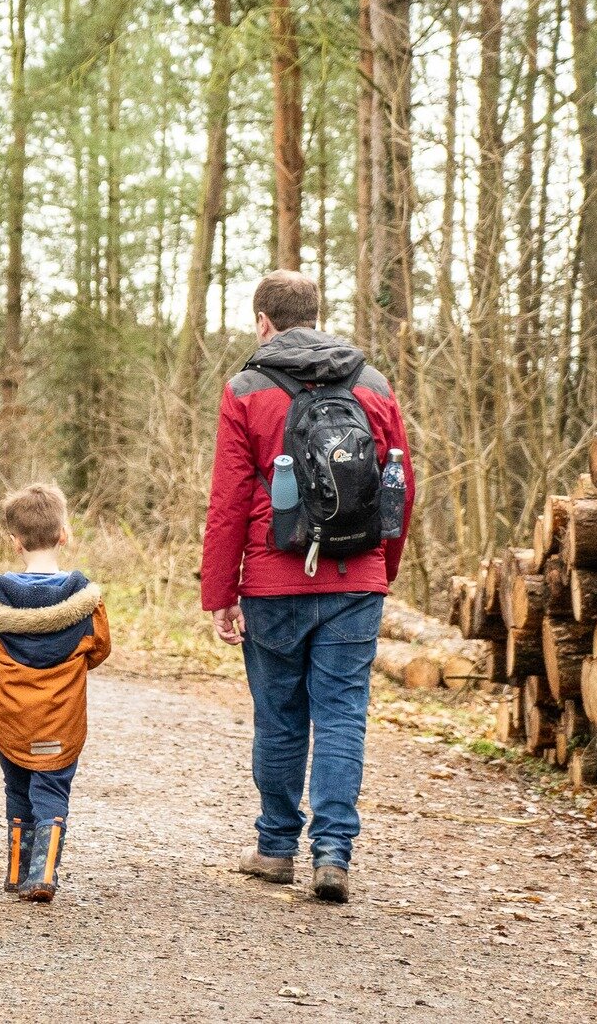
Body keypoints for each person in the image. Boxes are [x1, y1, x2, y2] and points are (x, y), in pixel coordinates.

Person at [200, 271, 409, 904]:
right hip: (356, 578)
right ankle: (333, 855)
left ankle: (274, 847)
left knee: (280, 715)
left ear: (263, 322)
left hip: (271, 580)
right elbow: (400, 486)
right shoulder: (372, 384)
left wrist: (219, 591)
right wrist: (382, 567)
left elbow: (229, 499)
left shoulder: (246, 390)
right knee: (344, 715)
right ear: (317, 316)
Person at [0, 483, 111, 904]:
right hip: (61, 718)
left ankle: (16, 872)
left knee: (17, 786)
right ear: (65, 533)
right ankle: (43, 875)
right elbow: (99, 648)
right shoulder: (85, 600)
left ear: (14, 542)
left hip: (11, 717)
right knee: (52, 788)